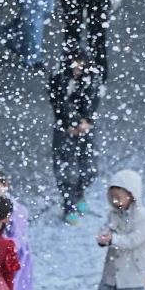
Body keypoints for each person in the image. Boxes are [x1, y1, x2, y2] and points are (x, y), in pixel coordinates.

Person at [96, 169, 145, 290]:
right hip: (113, 267)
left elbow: (134, 240)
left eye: (119, 197)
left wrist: (113, 239)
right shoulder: (113, 214)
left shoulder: (141, 217)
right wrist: (103, 237)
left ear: (131, 195)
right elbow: (106, 228)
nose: (115, 201)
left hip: (133, 269)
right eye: (112, 197)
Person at [49, 46, 100, 223]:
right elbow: (59, 102)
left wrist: (86, 121)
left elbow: (93, 99)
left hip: (84, 127)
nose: (77, 66)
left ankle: (79, 193)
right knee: (65, 169)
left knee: (89, 168)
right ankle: (69, 202)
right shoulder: (59, 77)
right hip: (65, 129)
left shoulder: (92, 76)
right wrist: (72, 123)